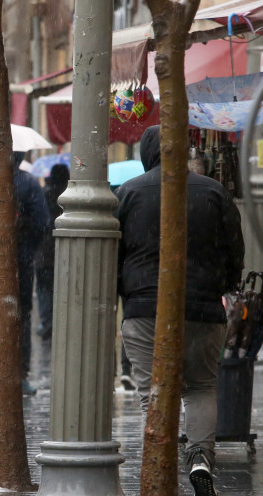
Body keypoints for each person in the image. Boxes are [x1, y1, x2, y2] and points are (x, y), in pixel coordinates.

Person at [115, 125, 244, 496]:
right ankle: (200, 457)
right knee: (201, 387)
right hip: (203, 309)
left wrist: (122, 295)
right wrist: (227, 286)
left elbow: (116, 252)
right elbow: (235, 247)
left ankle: (161, 459)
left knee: (151, 392)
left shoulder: (129, 193)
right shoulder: (213, 191)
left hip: (144, 309)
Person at [0, 152, 48, 395]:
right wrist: (26, 247)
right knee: (21, 316)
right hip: (21, 262)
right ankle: (20, 374)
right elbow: (42, 222)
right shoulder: (28, 183)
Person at [34, 163, 69, 341]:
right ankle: (60, 321)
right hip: (64, 253)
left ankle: (47, 321)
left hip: (43, 252)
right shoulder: (69, 197)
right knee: (62, 289)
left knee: (44, 289)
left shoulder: (44, 194)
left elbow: (39, 222)